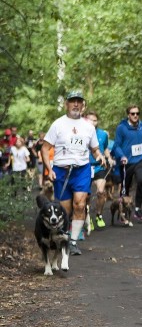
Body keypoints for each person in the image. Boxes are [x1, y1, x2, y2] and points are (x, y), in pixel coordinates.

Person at [42, 90, 107, 255]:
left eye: (79, 101)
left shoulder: (88, 127)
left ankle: (72, 241)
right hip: (61, 172)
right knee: (65, 210)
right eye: (72, 101)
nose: (76, 104)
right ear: (66, 104)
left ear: (83, 105)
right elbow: (45, 148)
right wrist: (49, 170)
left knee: (79, 204)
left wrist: (100, 156)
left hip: (82, 170)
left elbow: (94, 149)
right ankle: (62, 236)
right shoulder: (58, 124)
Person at [112, 104, 142, 222]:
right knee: (125, 186)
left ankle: (137, 207)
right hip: (127, 162)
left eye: (137, 113)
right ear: (128, 115)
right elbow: (116, 145)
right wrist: (122, 156)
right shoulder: (121, 128)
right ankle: (122, 210)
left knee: (141, 180)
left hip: (140, 159)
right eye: (133, 113)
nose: (136, 115)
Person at [85, 111, 113, 229]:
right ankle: (87, 218)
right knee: (85, 195)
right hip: (85, 166)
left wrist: (109, 158)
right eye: (90, 119)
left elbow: (105, 148)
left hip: (99, 166)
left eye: (95, 120)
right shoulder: (81, 133)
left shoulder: (103, 134)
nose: (93, 122)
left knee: (101, 192)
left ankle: (99, 214)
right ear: (86, 120)